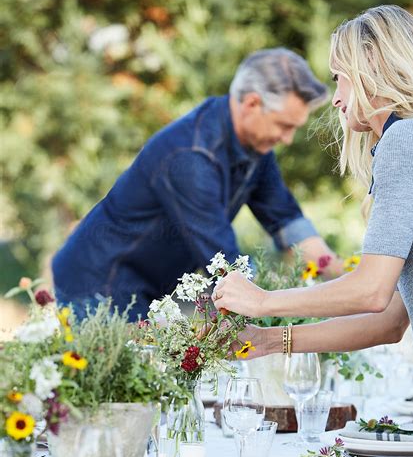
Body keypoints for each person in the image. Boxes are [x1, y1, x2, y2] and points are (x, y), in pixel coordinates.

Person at [213, 6, 413, 457]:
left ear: (371, 67)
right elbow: (389, 323)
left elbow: (370, 292)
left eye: (339, 77)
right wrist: (270, 342)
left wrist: (263, 301)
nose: (335, 97)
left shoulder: (411, 139)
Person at [52, 48, 344, 321]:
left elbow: (288, 223)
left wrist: (344, 280)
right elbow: (227, 266)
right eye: (284, 126)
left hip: (144, 286)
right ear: (252, 103)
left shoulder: (257, 147)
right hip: (98, 283)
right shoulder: (190, 156)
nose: (288, 139)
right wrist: (283, 307)